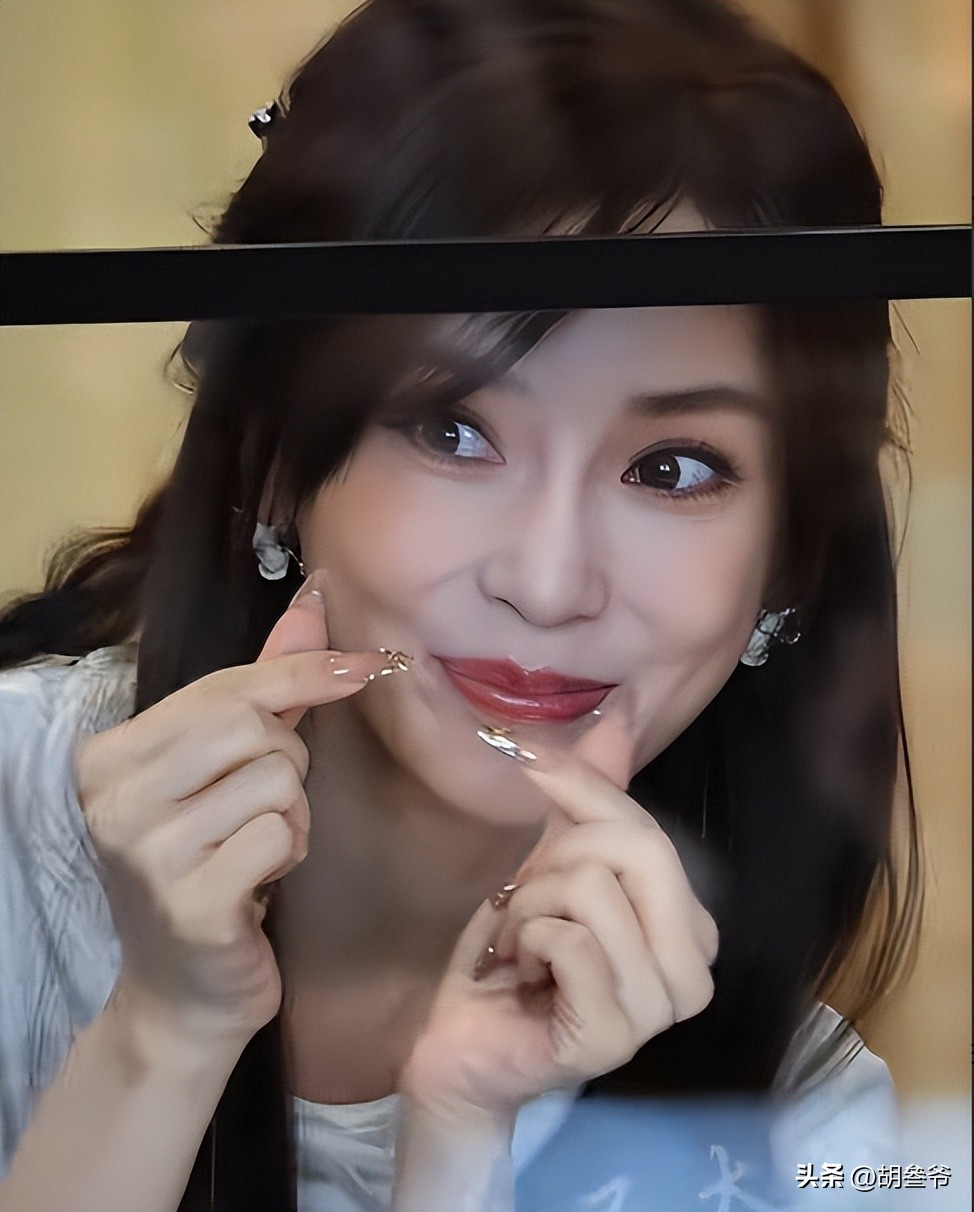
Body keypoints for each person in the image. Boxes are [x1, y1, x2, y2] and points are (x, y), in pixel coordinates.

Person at [0, 1, 921, 1209]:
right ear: (274, 461)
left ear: (791, 557)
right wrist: (160, 1034)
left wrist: (459, 1141)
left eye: (671, 468)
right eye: (451, 430)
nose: (545, 585)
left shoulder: (813, 1139)